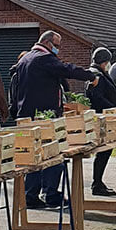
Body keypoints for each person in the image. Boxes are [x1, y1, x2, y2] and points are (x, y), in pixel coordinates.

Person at [15, 31, 98, 209]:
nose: (58, 49)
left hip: (27, 114)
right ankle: (51, 194)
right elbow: (67, 69)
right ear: (46, 42)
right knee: (55, 153)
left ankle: (32, 194)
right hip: (45, 116)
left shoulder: (25, 58)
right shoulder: (43, 58)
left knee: (34, 156)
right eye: (57, 45)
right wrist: (90, 75)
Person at [85, 47, 116, 197]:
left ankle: (98, 182)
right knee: (103, 151)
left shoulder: (100, 73)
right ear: (104, 61)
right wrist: (114, 108)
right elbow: (97, 97)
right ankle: (97, 183)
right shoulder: (96, 74)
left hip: (105, 116)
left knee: (105, 151)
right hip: (103, 118)